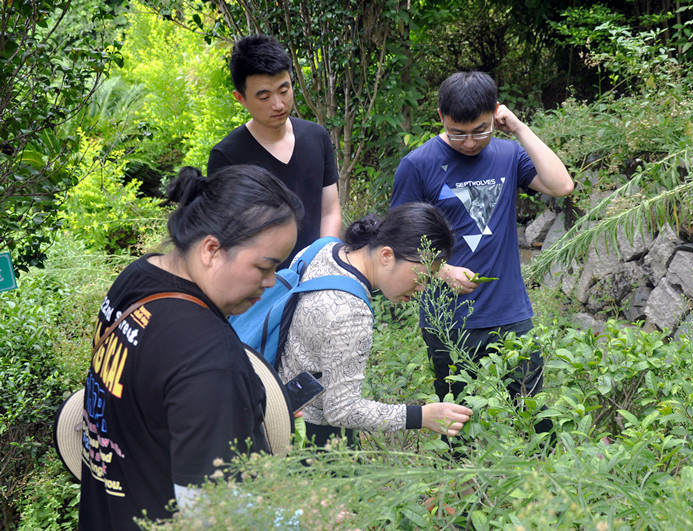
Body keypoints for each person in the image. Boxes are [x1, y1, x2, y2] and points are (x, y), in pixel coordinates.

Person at [78, 165, 303, 530]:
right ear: (212, 249)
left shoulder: (138, 276)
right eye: (264, 266)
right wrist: (305, 521)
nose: (272, 281)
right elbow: (212, 514)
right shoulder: (209, 359)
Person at [390, 71, 574, 426]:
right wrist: (441, 271)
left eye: (481, 130)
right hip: (448, 320)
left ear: (495, 113)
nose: (471, 142)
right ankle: (460, 479)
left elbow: (561, 184)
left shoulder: (508, 154)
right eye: (459, 132)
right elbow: (397, 240)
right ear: (441, 116)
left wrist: (519, 129)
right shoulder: (418, 165)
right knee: (458, 422)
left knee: (534, 418)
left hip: (511, 314)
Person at [277, 203, 474, 448]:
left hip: (277, 402)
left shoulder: (323, 248)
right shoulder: (350, 313)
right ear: (386, 255)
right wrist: (422, 416)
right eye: (421, 276)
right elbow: (342, 410)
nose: (423, 289)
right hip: (311, 437)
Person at [207, 34, 342, 269]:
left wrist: (322, 262)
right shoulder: (227, 157)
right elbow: (227, 235)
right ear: (241, 98)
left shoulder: (317, 137)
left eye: (284, 90)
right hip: (261, 286)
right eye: (264, 96)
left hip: (316, 272)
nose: (278, 104)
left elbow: (329, 210)